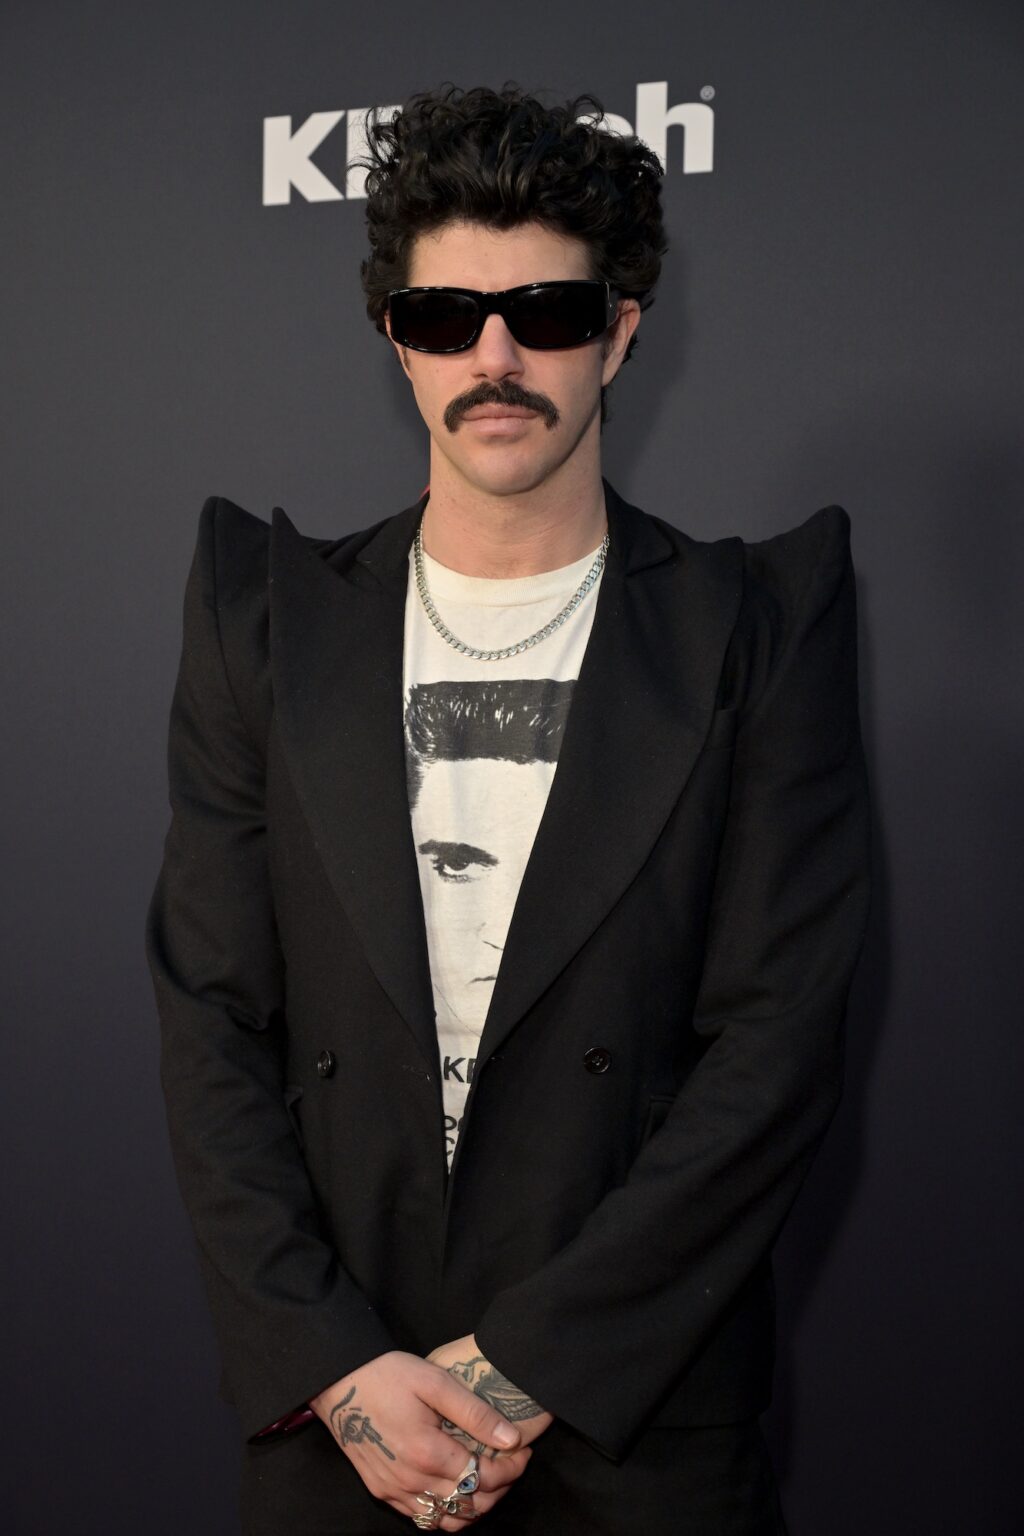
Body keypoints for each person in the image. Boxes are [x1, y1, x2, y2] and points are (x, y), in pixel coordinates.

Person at [145, 81, 872, 1535]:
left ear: (619, 333)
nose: (495, 359)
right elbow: (212, 1015)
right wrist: (341, 1366)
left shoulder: (757, 623)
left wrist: (532, 1362)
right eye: (443, 320)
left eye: (544, 315)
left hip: (636, 1420)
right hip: (349, 1422)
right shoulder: (263, 619)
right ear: (394, 345)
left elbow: (777, 1039)